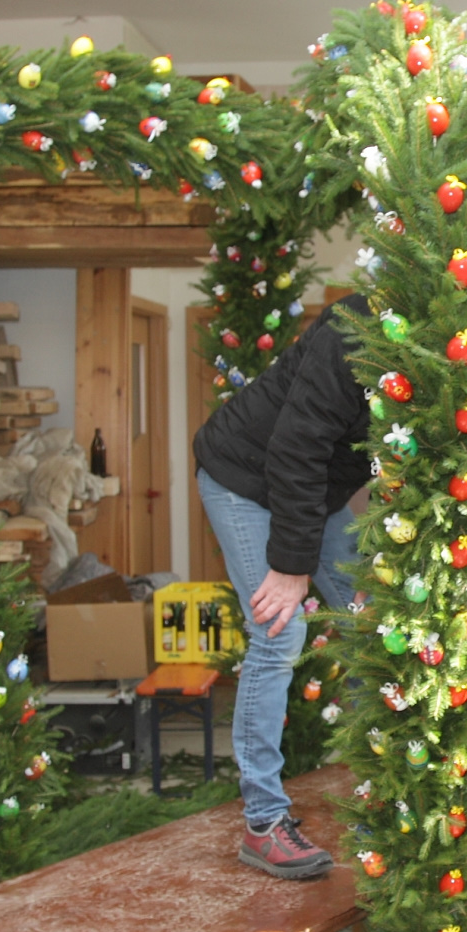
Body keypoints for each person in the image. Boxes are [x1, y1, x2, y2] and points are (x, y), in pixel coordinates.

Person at [192, 300, 366, 878]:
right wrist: (291, 567)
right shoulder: (353, 337)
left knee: (373, 619)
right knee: (278, 628)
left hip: (313, 488)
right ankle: (264, 821)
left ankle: (388, 786)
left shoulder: (436, 350)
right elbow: (297, 448)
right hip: (244, 475)